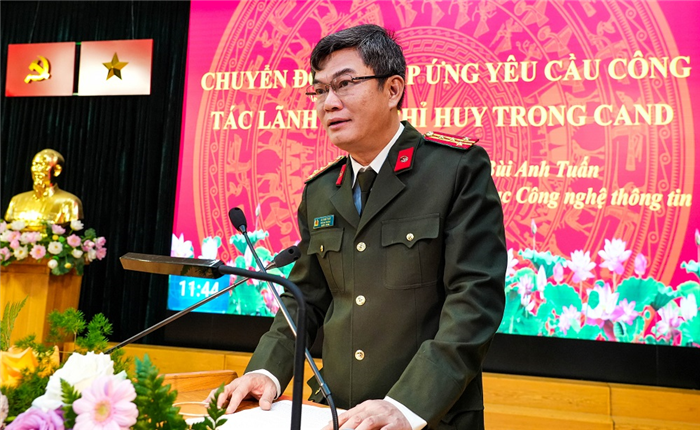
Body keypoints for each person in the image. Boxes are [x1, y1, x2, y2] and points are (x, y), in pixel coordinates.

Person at [215, 24, 506, 430]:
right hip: (335, 414)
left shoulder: (454, 170)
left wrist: (407, 405)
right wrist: (267, 371)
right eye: (320, 90)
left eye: (345, 84)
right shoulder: (321, 191)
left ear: (393, 90)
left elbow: (474, 298)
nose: (329, 103)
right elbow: (306, 297)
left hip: (426, 416)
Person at [5, 149, 83, 231]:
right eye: (35, 165)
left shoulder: (70, 202)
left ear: (57, 170)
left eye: (42, 165)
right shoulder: (17, 200)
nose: (37, 170)